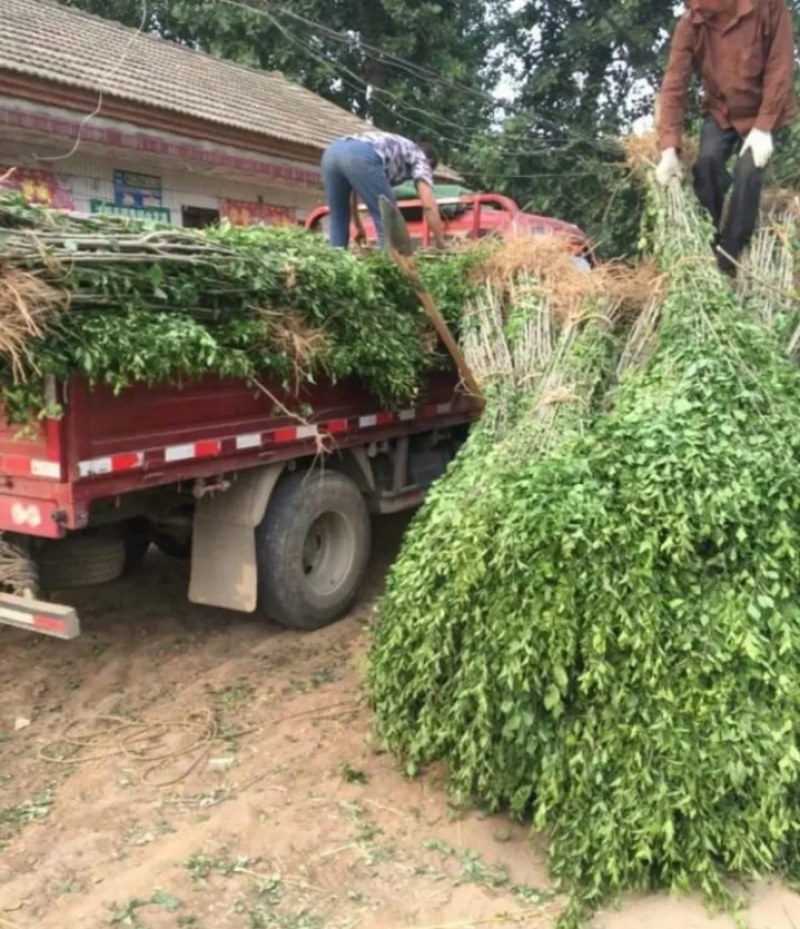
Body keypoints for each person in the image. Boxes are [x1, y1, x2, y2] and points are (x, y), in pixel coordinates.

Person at [655, 0, 797, 274]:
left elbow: (780, 68)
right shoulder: (691, 23)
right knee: (706, 164)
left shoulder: (769, 7)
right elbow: (674, 86)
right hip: (722, 110)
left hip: (764, 108)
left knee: (748, 172)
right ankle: (710, 237)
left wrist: (764, 127)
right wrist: (669, 149)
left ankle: (729, 254)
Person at [321, 131, 447, 250]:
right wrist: (441, 243)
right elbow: (429, 205)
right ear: (430, 162)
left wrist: (358, 225)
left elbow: (353, 187)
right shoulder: (420, 157)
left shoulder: (399, 151)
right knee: (388, 218)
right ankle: (390, 267)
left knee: (338, 219)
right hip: (361, 154)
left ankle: (335, 263)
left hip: (331, 153)